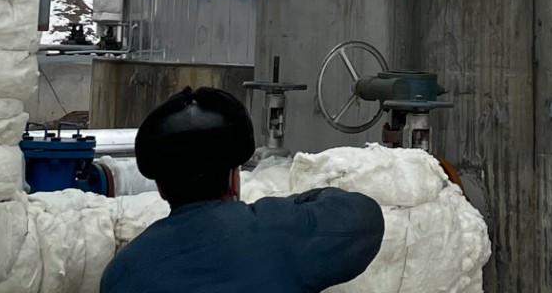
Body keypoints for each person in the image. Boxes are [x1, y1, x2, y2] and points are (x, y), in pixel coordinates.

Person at [100, 86, 385, 293]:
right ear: (234, 179)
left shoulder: (123, 273)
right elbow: (365, 218)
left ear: (161, 187)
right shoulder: (284, 234)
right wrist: (289, 205)